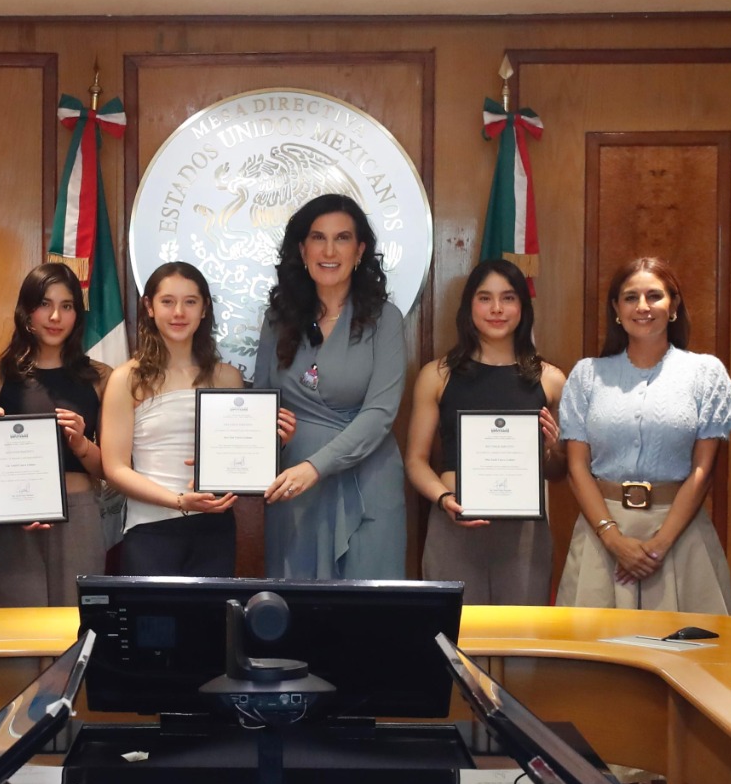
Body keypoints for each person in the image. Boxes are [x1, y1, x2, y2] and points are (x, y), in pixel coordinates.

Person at [558, 258, 731, 613]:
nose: (642, 307)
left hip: (680, 537)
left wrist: (660, 544)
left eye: (654, 296)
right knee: (595, 658)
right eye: (630, 297)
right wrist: (613, 539)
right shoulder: (587, 375)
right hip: (601, 537)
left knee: (688, 655)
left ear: (673, 306)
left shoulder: (705, 373)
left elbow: (703, 472)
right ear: (616, 309)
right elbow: (577, 469)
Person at [257, 194, 407, 580]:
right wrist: (225, 462)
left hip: (368, 483)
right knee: (295, 619)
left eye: (341, 238)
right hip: (295, 491)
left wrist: (315, 467)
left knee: (366, 621)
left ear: (359, 251)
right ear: (302, 249)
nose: (329, 250)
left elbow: (380, 414)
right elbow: (258, 408)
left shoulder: (384, 320)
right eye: (318, 238)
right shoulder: (278, 319)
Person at [405, 259, 567, 603]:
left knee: (521, 642)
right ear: (469, 307)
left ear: (523, 307)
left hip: (524, 534)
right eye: (485, 298)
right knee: (457, 642)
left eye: (508, 298)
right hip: (453, 523)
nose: (496, 309)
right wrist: (444, 498)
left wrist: (553, 448)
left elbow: (558, 471)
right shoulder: (438, 375)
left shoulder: (550, 379)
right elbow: (416, 461)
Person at [0, 263, 110, 607]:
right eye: (45, 304)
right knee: (16, 634)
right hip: (13, 520)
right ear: (27, 311)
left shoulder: (101, 378)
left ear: (77, 315)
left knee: (74, 629)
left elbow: (111, 470)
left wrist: (81, 443)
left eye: (66, 306)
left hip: (79, 515)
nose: (55, 316)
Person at [100, 262, 246, 577]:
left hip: (215, 529)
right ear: (149, 307)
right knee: (154, 628)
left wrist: (274, 442)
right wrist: (179, 501)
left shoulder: (229, 378)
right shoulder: (127, 379)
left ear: (204, 309)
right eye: (167, 301)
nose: (179, 311)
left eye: (190, 301)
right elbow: (114, 469)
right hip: (151, 530)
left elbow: (241, 457)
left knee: (209, 628)